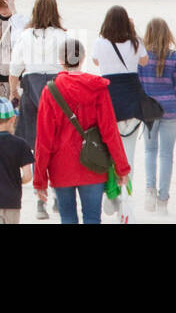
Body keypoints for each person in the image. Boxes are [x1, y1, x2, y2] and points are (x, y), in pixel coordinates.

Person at [33, 38, 131, 224]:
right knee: (93, 218)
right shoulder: (97, 87)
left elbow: (43, 140)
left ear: (60, 60)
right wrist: (122, 167)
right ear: (83, 58)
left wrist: (40, 179)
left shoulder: (50, 91)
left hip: (61, 166)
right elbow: (110, 131)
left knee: (68, 218)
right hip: (93, 164)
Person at [8, 0, 67, 214]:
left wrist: (14, 92)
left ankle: (39, 199)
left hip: (31, 86)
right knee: (59, 146)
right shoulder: (63, 36)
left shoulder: (25, 36)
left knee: (36, 145)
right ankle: (58, 195)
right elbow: (71, 67)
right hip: (57, 87)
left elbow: (15, 69)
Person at [91, 5, 148, 212]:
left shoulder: (100, 42)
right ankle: (126, 198)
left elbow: (96, 61)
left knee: (110, 151)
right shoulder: (135, 42)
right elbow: (145, 60)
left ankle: (111, 191)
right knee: (129, 152)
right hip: (132, 100)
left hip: (109, 102)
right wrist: (132, 32)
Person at [138, 17, 176, 214]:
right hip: (170, 109)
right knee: (166, 154)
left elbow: (138, 85)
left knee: (150, 151)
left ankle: (149, 189)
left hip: (148, 110)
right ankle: (163, 198)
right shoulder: (175, 58)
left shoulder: (142, 58)